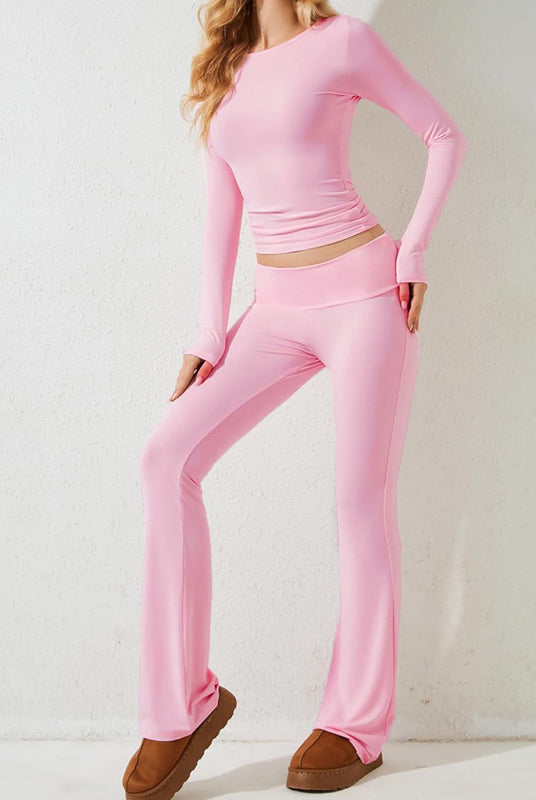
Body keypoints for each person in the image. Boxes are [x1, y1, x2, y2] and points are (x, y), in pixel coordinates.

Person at [122, 1, 467, 797]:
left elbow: (443, 134)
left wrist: (413, 251)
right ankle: (180, 705)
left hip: (366, 298)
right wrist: (210, 334)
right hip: (274, 310)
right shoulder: (225, 73)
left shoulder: (342, 42)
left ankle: (356, 723)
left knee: (359, 502)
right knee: (165, 457)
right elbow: (223, 213)